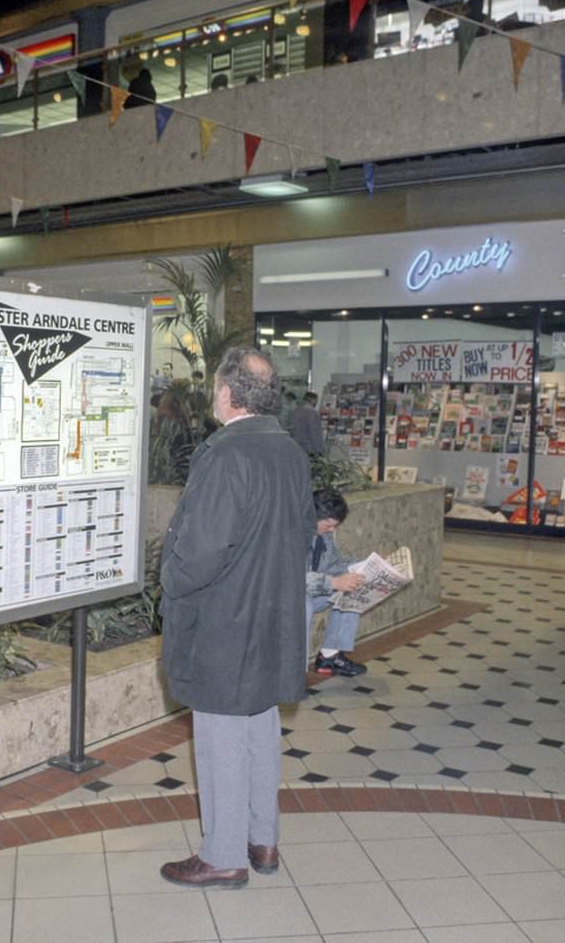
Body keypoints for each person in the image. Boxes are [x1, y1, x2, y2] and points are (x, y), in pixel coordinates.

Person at [159, 347, 316, 889]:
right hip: (275, 615)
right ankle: (261, 838)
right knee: (260, 724)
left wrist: (169, 583)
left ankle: (223, 854)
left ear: (225, 394)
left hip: (226, 620)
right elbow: (301, 536)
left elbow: (202, 552)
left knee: (221, 733)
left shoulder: (226, 454)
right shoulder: (291, 452)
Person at [306, 489, 368, 677]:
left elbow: (334, 563)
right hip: (288, 593)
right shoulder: (290, 535)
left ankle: (330, 655)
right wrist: (333, 582)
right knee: (304, 605)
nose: (332, 530)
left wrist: (364, 565)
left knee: (353, 586)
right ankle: (293, 671)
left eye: (335, 526)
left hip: (316, 587)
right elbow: (291, 577)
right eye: (328, 525)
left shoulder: (324, 535)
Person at [289, 389, 325, 455]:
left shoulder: (296, 411)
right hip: (309, 450)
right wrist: (320, 451)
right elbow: (315, 433)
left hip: (296, 447)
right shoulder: (312, 413)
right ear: (313, 400)